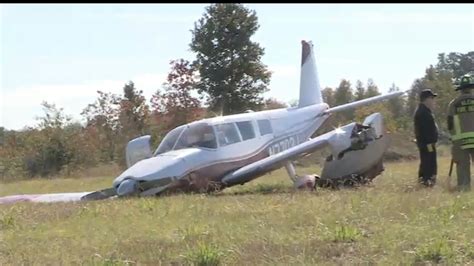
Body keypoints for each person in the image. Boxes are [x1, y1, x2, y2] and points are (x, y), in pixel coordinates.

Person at [447, 74, 474, 192]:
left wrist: (453, 138)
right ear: (471, 88)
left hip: (460, 141)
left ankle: (464, 189)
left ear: (461, 89)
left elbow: (450, 124)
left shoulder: (453, 104)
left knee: (463, 168)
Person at [414, 89, 439, 187]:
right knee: (429, 163)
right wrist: (431, 141)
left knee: (427, 162)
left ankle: (425, 181)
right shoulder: (423, 112)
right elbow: (425, 131)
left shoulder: (424, 111)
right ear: (426, 99)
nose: (433, 101)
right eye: (432, 98)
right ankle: (427, 182)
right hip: (427, 143)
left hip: (427, 143)